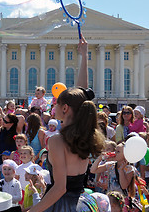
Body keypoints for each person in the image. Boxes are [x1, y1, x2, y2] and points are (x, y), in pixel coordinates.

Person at [27, 36, 105, 212]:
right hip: (82, 202)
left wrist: (33, 210)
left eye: (56, 104)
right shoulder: (87, 134)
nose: (53, 107)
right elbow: (82, 96)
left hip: (62, 204)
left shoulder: (57, 141)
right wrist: (84, 55)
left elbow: (60, 188)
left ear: (65, 109)